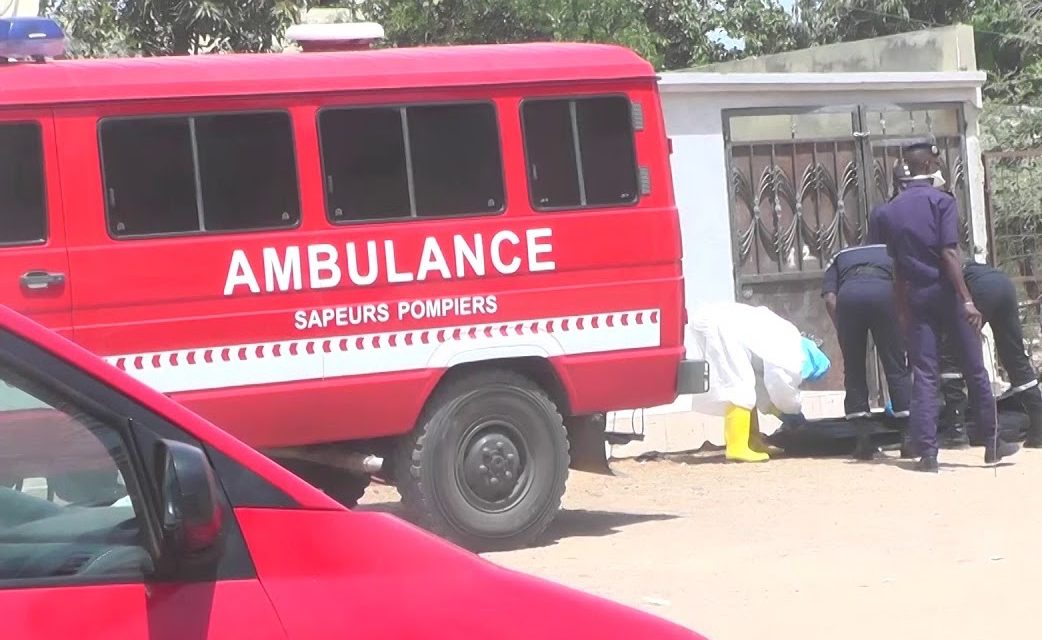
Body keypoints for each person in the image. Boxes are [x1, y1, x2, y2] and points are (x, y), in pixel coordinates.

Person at [872, 140, 1020, 471]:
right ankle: (992, 442)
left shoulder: (887, 211)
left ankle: (927, 453)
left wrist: (902, 311)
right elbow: (950, 253)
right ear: (928, 166)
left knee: (925, 373)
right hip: (947, 293)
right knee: (974, 367)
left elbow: (895, 267)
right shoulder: (942, 201)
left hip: (915, 294)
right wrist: (967, 299)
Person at [687, 303, 830, 463]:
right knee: (739, 386)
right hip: (722, 326)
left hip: (714, 321)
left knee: (748, 386)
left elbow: (763, 387)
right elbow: (781, 385)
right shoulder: (794, 353)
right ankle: (737, 447)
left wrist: (776, 410)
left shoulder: (788, 339)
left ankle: (752, 442)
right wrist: (792, 412)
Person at [821, 239, 911, 461]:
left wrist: (842, 328)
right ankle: (908, 439)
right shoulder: (892, 250)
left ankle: (864, 442)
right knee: (896, 367)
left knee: (854, 369)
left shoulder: (840, 254)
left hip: (849, 298)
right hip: (884, 295)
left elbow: (830, 297)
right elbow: (905, 284)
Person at [937, 261, 1042, 449]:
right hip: (1002, 281)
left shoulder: (932, 261)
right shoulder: (951, 252)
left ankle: (957, 432)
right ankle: (1039, 429)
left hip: (976, 287)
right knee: (1014, 356)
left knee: (951, 354)